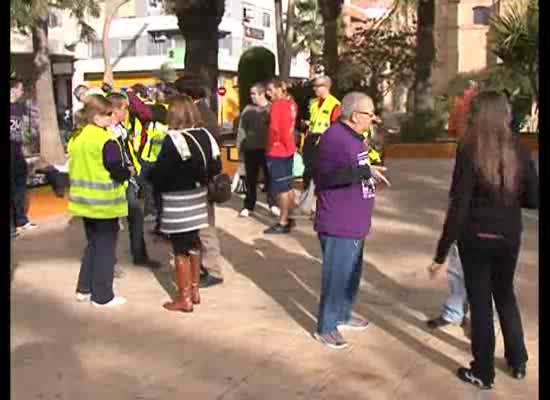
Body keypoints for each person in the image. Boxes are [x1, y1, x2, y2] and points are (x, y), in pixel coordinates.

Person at [428, 91, 538, 389]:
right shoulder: (519, 148)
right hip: (508, 236)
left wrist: (440, 253)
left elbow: (459, 204)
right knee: (504, 294)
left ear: (477, 114)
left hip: (475, 237)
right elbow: (534, 197)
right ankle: (518, 361)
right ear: (504, 113)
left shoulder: (469, 149)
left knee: (480, 303)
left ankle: (483, 371)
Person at [312, 92, 389, 349]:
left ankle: (343, 314)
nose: (373, 119)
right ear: (355, 115)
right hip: (338, 222)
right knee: (336, 275)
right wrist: (363, 171)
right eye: (370, 114)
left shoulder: (355, 138)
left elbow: (355, 169)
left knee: (351, 274)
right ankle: (326, 327)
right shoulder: (334, 138)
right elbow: (324, 177)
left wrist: (370, 171)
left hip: (355, 221)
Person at [147, 95, 222, 312]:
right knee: (194, 243)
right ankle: (195, 290)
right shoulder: (205, 135)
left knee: (180, 249)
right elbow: (216, 166)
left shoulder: (174, 139)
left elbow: (161, 172)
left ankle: (184, 298)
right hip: (199, 197)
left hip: (177, 201)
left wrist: (151, 178)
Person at [69, 95, 131, 307]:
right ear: (96, 117)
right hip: (104, 203)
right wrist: (127, 172)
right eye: (108, 114)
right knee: (105, 249)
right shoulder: (105, 140)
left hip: (84, 203)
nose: (111, 117)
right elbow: (117, 170)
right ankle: (102, 296)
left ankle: (84, 288)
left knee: (93, 245)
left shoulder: (77, 137)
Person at [174, 75, 224, 288]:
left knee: (205, 227)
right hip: (200, 180)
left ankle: (213, 269)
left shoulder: (200, 117)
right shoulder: (203, 112)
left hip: (200, 182)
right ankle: (204, 266)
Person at [108, 92, 160, 269]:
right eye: (124, 108)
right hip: (114, 182)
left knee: (135, 216)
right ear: (115, 109)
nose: (126, 112)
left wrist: (133, 171)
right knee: (111, 225)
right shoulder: (106, 131)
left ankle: (139, 256)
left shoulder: (121, 127)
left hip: (128, 179)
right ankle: (108, 263)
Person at [263, 79, 298, 234]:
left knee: (281, 188)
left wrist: (271, 145)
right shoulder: (292, 103)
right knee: (289, 185)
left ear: (279, 89)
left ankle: (283, 221)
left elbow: (275, 129)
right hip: (289, 149)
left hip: (278, 151)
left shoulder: (277, 105)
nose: (268, 94)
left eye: (270, 90)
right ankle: (289, 217)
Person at [236, 82, 276, 217]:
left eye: (253, 93)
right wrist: (239, 150)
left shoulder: (272, 109)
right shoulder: (247, 110)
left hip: (268, 150)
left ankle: (273, 204)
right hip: (251, 149)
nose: (251, 96)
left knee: (270, 178)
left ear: (262, 93)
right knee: (250, 180)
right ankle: (249, 205)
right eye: (250, 93)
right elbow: (241, 131)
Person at [302, 76, 341, 191]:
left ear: (327, 87)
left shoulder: (335, 104)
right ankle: (307, 199)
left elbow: (336, 127)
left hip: (324, 141)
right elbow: (314, 121)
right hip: (311, 139)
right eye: (314, 86)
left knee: (321, 171)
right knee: (308, 171)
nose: (314, 89)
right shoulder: (313, 103)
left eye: (317, 86)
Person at [10, 77, 37, 234]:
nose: (22, 92)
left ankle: (21, 220)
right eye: (20, 88)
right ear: (13, 89)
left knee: (20, 188)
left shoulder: (20, 108)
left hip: (18, 153)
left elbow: (23, 131)